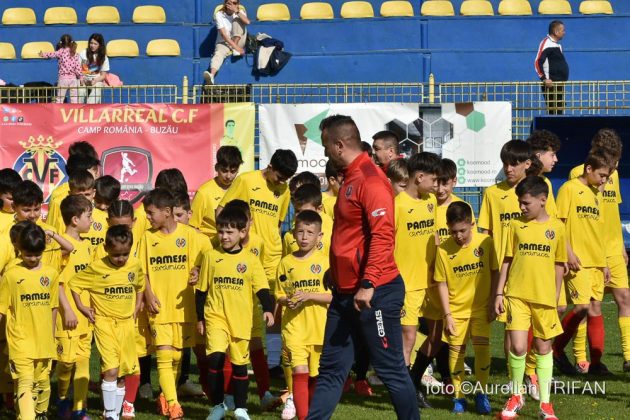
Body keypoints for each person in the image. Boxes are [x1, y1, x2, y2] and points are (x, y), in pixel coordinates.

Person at [306, 115, 419, 420]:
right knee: (331, 369)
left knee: (391, 369)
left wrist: (368, 283)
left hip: (375, 292)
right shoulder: (351, 177)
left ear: (339, 145)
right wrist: (336, 269)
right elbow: (351, 235)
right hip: (345, 293)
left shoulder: (370, 179)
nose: (325, 151)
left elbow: (383, 235)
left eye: (326, 144)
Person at [496, 176, 566, 420]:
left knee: (543, 348)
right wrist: (499, 292)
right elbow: (507, 259)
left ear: (543, 200)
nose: (521, 207)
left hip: (544, 298)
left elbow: (559, 264)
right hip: (516, 295)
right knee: (517, 346)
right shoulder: (515, 225)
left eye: (526, 203)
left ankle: (545, 405)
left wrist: (555, 295)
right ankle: (516, 396)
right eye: (520, 202)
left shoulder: (557, 228)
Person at [197, 206, 274, 420]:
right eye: (221, 231)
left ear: (242, 232)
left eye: (229, 232)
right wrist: (200, 318)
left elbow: (262, 288)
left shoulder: (250, 259)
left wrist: (268, 309)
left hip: (241, 321)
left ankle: (241, 408)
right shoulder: (211, 256)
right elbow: (201, 292)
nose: (224, 236)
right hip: (216, 317)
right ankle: (217, 406)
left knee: (240, 366)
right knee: (216, 359)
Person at [137, 189, 209, 419]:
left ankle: (164, 396)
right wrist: (148, 294)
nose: (147, 217)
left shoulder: (192, 236)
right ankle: (173, 404)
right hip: (159, 308)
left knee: (177, 356)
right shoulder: (147, 238)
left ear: (167, 212)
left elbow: (210, 259)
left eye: (151, 212)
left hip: (184, 308)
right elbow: (140, 271)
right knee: (164, 355)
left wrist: (198, 270)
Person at [567, 129, 630, 374]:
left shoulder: (614, 174)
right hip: (590, 250)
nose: (613, 166)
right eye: (610, 158)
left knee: (624, 297)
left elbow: (612, 212)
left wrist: (621, 246)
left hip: (612, 248)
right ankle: (583, 358)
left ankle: (628, 357)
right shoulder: (579, 174)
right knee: (590, 306)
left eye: (616, 159)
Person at [70, 225, 145, 420]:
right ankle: (110, 414)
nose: (121, 259)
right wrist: (82, 307)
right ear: (106, 248)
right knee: (111, 369)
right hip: (105, 324)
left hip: (127, 324)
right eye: (116, 255)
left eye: (125, 254)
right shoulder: (96, 268)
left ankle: (115, 414)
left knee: (122, 373)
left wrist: (138, 305)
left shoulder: (134, 264)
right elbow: (74, 284)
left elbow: (140, 285)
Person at [552, 151, 613, 376]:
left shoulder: (595, 194)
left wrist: (604, 263)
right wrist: (568, 252)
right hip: (578, 261)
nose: (604, 180)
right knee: (581, 307)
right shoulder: (569, 189)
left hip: (596, 261)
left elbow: (596, 231)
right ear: (589, 169)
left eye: (607, 177)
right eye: (602, 175)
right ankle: (555, 349)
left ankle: (596, 363)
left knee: (595, 308)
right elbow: (559, 223)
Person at [436, 201, 496, 415]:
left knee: (482, 350)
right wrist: (447, 314)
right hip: (455, 312)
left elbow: (495, 271)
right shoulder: (443, 250)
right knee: (456, 353)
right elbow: (441, 283)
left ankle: (481, 393)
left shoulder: (486, 242)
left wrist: (493, 300)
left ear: (472, 223)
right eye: (453, 231)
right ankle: (459, 397)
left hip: (481, 309)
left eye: (462, 230)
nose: (458, 236)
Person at [0, 223, 59, 419]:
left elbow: (53, 307)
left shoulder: (51, 274)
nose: (33, 259)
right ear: (19, 249)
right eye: (28, 255)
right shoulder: (11, 275)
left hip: (44, 342)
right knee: (25, 382)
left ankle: (40, 413)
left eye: (37, 255)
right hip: (20, 341)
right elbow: (1, 308)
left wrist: (51, 335)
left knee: (42, 384)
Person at [276, 210, 331, 420]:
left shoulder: (326, 263)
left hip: (319, 327)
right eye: (300, 232)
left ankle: (310, 414)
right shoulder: (286, 263)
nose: (304, 237)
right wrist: (287, 300)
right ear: (293, 234)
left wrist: (309, 295)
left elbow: (334, 297)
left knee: (315, 375)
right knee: (299, 371)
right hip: (294, 326)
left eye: (310, 233)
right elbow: (279, 294)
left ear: (320, 236)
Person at [55, 195, 94, 420]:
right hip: (66, 316)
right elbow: (57, 282)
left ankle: (80, 409)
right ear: (75, 220)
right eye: (88, 216)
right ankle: (61, 398)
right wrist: (68, 309)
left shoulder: (87, 246)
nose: (92, 220)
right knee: (66, 363)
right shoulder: (61, 246)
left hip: (86, 314)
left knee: (83, 361)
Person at [191, 146, 243, 238]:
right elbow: (191, 227)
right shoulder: (204, 193)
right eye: (224, 171)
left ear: (238, 169)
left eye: (233, 171)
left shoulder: (241, 189)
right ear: (216, 168)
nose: (228, 176)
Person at [203, 0, 250, 85]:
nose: (232, 5)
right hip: (225, 41)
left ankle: (234, 48)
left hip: (239, 40)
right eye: (229, 2)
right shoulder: (219, 14)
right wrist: (235, 47)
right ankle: (212, 75)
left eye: (234, 3)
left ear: (238, 4)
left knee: (237, 20)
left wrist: (236, 11)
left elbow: (247, 22)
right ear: (225, 3)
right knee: (218, 53)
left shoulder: (240, 11)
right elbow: (224, 35)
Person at [535, 20, 569, 115]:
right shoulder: (546, 43)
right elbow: (537, 62)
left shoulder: (558, 45)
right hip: (551, 85)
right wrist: (544, 79)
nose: (564, 33)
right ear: (556, 32)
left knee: (559, 111)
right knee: (553, 112)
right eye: (563, 30)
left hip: (559, 84)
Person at [39, 34, 82, 103]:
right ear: (71, 42)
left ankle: (58, 110)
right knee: (74, 99)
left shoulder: (60, 52)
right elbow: (78, 67)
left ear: (61, 43)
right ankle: (74, 110)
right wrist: (81, 77)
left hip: (63, 79)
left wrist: (43, 54)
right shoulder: (75, 53)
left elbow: (52, 54)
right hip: (73, 79)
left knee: (59, 99)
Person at [79, 33, 110, 104]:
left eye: (95, 44)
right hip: (83, 79)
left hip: (96, 80)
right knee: (80, 90)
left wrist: (95, 80)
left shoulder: (104, 57)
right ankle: (79, 108)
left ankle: (90, 107)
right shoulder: (83, 53)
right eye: (91, 43)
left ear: (100, 45)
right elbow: (78, 70)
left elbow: (103, 75)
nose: (92, 45)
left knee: (97, 88)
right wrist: (82, 79)